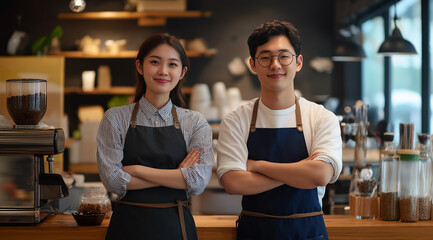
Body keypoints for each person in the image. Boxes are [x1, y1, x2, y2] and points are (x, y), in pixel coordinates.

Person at [217, 20, 342, 240]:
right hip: (255, 233)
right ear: (253, 65)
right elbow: (233, 182)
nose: (275, 64)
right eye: (265, 57)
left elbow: (321, 174)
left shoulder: (321, 117)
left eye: (284, 56)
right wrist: (302, 170)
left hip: (307, 234)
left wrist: (259, 166)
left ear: (298, 62)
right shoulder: (236, 120)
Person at [97, 33, 214, 240]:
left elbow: (197, 182)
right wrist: (176, 175)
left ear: (182, 72)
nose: (163, 71)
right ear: (140, 67)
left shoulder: (195, 122)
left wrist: (137, 170)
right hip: (127, 228)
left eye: (172, 64)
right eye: (155, 62)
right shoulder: (115, 118)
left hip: (176, 228)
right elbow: (113, 181)